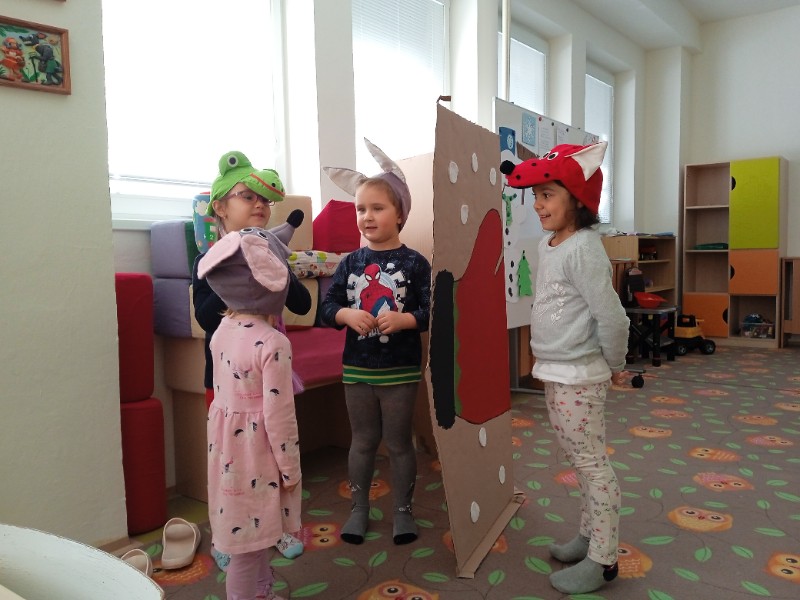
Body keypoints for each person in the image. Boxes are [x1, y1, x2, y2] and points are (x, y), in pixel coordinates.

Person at [500, 141, 630, 595]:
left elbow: (612, 316)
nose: (538, 205)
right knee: (580, 460)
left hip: (580, 375)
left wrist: (615, 363)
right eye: (535, 196)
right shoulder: (550, 243)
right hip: (556, 371)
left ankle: (603, 559)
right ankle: (588, 536)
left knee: (593, 465)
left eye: (548, 195)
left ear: (577, 199)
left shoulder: (585, 249)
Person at [192, 151, 310, 567]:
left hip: (269, 377)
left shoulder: (271, 251)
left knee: (269, 459)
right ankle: (227, 536)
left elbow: (301, 302)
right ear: (221, 207)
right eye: (247, 196)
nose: (259, 204)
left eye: (264, 198)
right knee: (230, 465)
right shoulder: (209, 262)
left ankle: (273, 527)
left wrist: (270, 260)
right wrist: (236, 276)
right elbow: (204, 316)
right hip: (227, 383)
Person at [320, 139, 431, 545]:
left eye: (377, 208)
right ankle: (359, 508)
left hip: (400, 370)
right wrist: (347, 315)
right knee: (363, 441)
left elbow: (432, 311)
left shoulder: (416, 263)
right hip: (357, 369)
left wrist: (405, 319)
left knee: (399, 443)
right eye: (360, 209)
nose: (367, 216)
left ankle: (403, 510)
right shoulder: (349, 262)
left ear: (400, 213)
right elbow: (326, 308)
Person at [197, 227, 302, 600]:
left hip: (227, 451)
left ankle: (261, 593)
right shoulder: (274, 343)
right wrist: (290, 468)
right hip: (258, 454)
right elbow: (279, 416)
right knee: (249, 548)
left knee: (253, 536)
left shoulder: (221, 330)